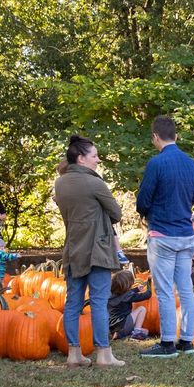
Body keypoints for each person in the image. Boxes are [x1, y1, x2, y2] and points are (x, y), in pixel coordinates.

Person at [53, 135, 124, 368]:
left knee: (73, 302)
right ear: (81, 158)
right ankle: (104, 354)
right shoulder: (95, 183)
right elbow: (116, 213)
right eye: (94, 156)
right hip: (97, 250)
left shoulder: (60, 183)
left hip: (73, 249)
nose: (98, 160)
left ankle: (74, 353)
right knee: (99, 302)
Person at [137, 115, 194, 359]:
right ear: (176, 135)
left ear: (155, 137)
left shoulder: (156, 163)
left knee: (164, 290)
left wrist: (148, 211)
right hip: (186, 235)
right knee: (185, 288)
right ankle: (187, 340)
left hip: (162, 233)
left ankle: (166, 343)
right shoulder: (190, 163)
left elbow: (143, 200)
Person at [108, 269, 152, 341]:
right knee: (141, 309)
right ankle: (136, 332)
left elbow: (124, 293)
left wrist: (136, 289)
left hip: (113, 327)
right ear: (127, 285)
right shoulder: (128, 296)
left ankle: (119, 334)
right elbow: (148, 295)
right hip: (123, 326)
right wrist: (149, 282)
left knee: (146, 331)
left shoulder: (111, 293)